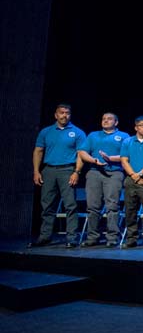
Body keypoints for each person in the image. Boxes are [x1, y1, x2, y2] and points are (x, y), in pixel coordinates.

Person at [31, 104, 87, 248]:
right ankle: (45, 236)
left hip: (67, 170)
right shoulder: (46, 132)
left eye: (67, 113)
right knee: (47, 205)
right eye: (61, 113)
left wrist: (77, 172)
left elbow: (81, 154)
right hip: (48, 170)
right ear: (56, 115)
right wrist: (36, 171)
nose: (64, 115)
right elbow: (38, 151)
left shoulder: (77, 132)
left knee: (70, 205)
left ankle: (72, 237)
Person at [77, 112, 129, 247]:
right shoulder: (93, 135)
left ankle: (112, 237)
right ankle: (92, 237)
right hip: (94, 172)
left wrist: (109, 158)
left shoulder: (123, 136)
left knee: (112, 206)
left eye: (109, 119)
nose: (106, 121)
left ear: (116, 122)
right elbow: (82, 152)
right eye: (104, 119)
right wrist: (94, 160)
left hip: (114, 173)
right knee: (93, 207)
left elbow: (127, 155)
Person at [119, 116, 143, 248]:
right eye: (142, 125)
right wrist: (133, 175)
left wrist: (140, 174)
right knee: (130, 210)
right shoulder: (127, 141)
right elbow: (124, 160)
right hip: (131, 180)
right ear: (136, 127)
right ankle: (131, 238)